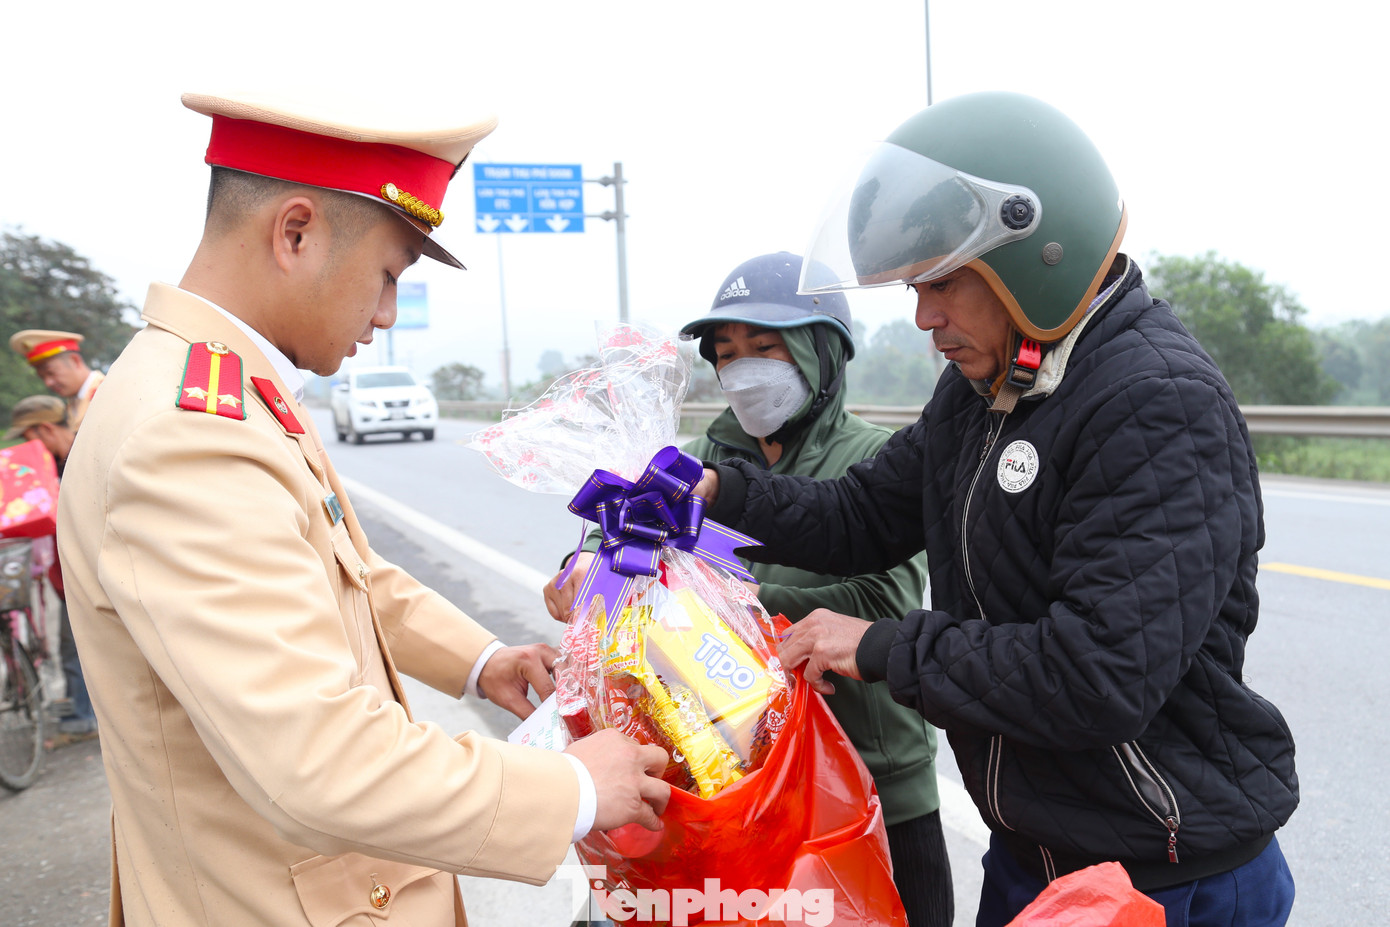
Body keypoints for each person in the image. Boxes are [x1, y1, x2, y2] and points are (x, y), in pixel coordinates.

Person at [56, 91, 669, 927]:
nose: (386, 315)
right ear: (295, 232)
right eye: (388, 276)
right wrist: (568, 788)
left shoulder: (224, 392)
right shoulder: (187, 436)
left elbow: (348, 570)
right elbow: (317, 759)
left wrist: (481, 659)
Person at [694, 92, 1299, 926]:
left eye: (941, 282)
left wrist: (882, 646)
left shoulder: (1154, 402)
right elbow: (862, 513)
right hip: (1036, 858)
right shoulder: (990, 387)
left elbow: (1098, 674)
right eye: (915, 286)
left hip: (1160, 875)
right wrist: (717, 495)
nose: (924, 319)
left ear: (1037, 253)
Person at [545, 252, 954, 926]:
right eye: (728, 354)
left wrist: (698, 612)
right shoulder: (703, 458)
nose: (744, 370)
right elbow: (618, 537)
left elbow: (883, 602)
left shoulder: (874, 460)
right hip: (734, 790)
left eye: (766, 348)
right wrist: (584, 572)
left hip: (871, 778)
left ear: (822, 354)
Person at [5, 395, 96, 737]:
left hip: (87, 572)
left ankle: (83, 720)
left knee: (76, 646)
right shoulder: (48, 467)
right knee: (72, 645)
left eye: (28, 438)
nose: (27, 448)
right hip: (65, 575)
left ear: (45, 428)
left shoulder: (82, 457)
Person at [8, 329, 105, 431]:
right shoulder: (73, 404)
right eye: (42, 377)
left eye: (51, 373)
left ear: (74, 361)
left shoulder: (107, 393)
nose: (48, 383)